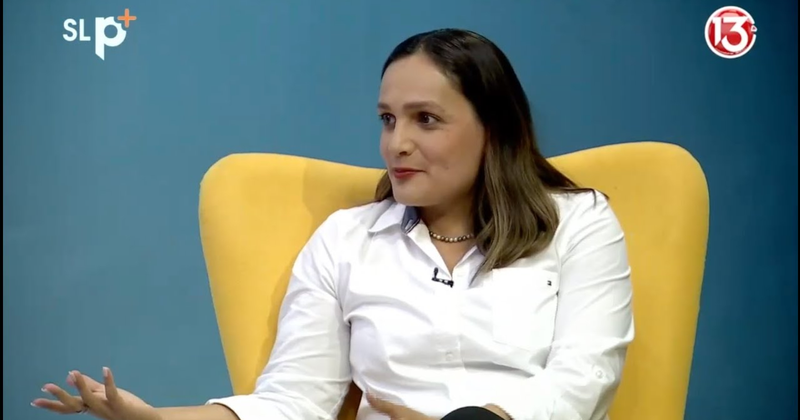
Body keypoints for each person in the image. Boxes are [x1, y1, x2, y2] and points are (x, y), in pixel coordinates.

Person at [32, 28, 634, 420]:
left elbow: (585, 376)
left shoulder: (580, 222)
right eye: (387, 119)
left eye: (425, 119)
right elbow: (295, 401)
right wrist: (159, 417)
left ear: (494, 129)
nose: (396, 143)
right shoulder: (345, 240)